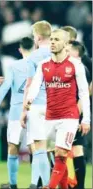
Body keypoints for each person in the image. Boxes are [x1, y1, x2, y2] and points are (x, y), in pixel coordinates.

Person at [24, 29, 91, 189]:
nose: (52, 42)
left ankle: (50, 186)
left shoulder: (76, 66)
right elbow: (35, 84)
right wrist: (29, 99)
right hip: (50, 116)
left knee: (61, 153)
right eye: (51, 39)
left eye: (57, 39)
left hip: (69, 117)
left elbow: (83, 93)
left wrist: (86, 119)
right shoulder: (43, 65)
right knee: (49, 154)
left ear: (66, 44)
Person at [0, 37, 34, 189]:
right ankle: (38, 183)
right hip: (35, 111)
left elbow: (5, 87)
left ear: (20, 50)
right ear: (34, 48)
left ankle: (13, 184)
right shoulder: (41, 65)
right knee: (36, 148)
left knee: (13, 147)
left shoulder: (14, 66)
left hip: (16, 111)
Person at [20, 20, 52, 188]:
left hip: (38, 105)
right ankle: (34, 183)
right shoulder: (59, 53)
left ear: (38, 37)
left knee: (38, 148)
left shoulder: (34, 57)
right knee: (57, 151)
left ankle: (45, 184)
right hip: (56, 106)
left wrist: (24, 110)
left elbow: (29, 84)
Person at [66, 40, 92, 189]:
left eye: (68, 49)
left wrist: (75, 116)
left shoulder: (81, 69)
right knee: (70, 150)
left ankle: (78, 186)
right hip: (69, 114)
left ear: (76, 52)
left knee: (76, 150)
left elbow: (83, 96)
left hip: (74, 115)